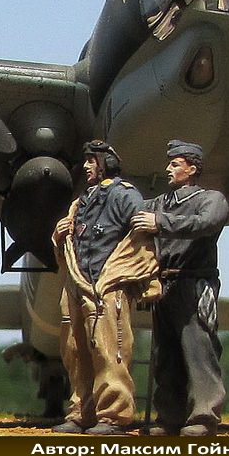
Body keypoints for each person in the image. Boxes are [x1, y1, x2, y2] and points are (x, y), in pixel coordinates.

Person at [51, 140, 157, 435]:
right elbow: (73, 237)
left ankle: (113, 414)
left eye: (91, 160)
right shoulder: (82, 201)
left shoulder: (124, 195)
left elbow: (143, 233)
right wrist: (59, 235)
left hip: (106, 283)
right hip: (78, 280)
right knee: (74, 349)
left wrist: (140, 276)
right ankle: (81, 411)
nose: (86, 166)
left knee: (110, 350)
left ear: (106, 163)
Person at [131, 139, 229, 437]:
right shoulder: (158, 203)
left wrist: (159, 223)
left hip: (194, 283)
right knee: (166, 354)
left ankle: (204, 416)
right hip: (163, 285)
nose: (168, 169)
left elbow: (207, 223)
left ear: (192, 168)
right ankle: (169, 417)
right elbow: (130, 212)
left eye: (175, 164)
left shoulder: (210, 199)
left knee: (199, 349)